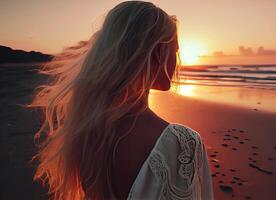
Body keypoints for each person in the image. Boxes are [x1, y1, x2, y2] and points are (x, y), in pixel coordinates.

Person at [26, 1, 213, 199]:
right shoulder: (182, 143)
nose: (177, 60)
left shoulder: (87, 131)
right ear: (157, 53)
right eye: (175, 51)